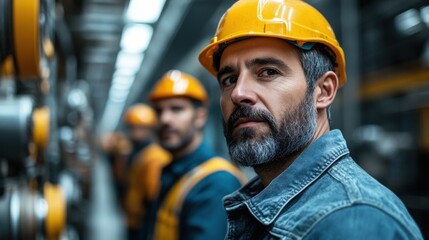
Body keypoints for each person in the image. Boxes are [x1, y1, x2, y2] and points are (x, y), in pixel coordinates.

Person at [198, 0, 424, 239]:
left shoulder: (352, 223)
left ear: (324, 91)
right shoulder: (272, 205)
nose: (238, 93)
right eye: (229, 79)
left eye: (268, 72)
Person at [142, 70, 246, 239]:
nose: (165, 119)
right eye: (159, 111)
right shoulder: (173, 170)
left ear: (200, 116)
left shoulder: (216, 183)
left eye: (176, 109)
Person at [121, 104, 171, 240]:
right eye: (131, 127)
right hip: (133, 218)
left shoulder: (154, 156)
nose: (133, 132)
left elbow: (153, 196)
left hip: (143, 222)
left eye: (139, 128)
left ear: (149, 129)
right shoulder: (137, 153)